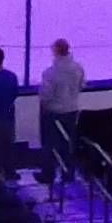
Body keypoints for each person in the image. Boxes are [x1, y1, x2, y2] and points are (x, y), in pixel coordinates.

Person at [36, 38, 86, 181]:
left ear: (56, 51)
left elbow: (46, 95)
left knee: (49, 143)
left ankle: (48, 173)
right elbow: (82, 85)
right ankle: (68, 173)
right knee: (68, 142)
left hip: (53, 112)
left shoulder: (50, 73)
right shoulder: (78, 68)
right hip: (72, 110)